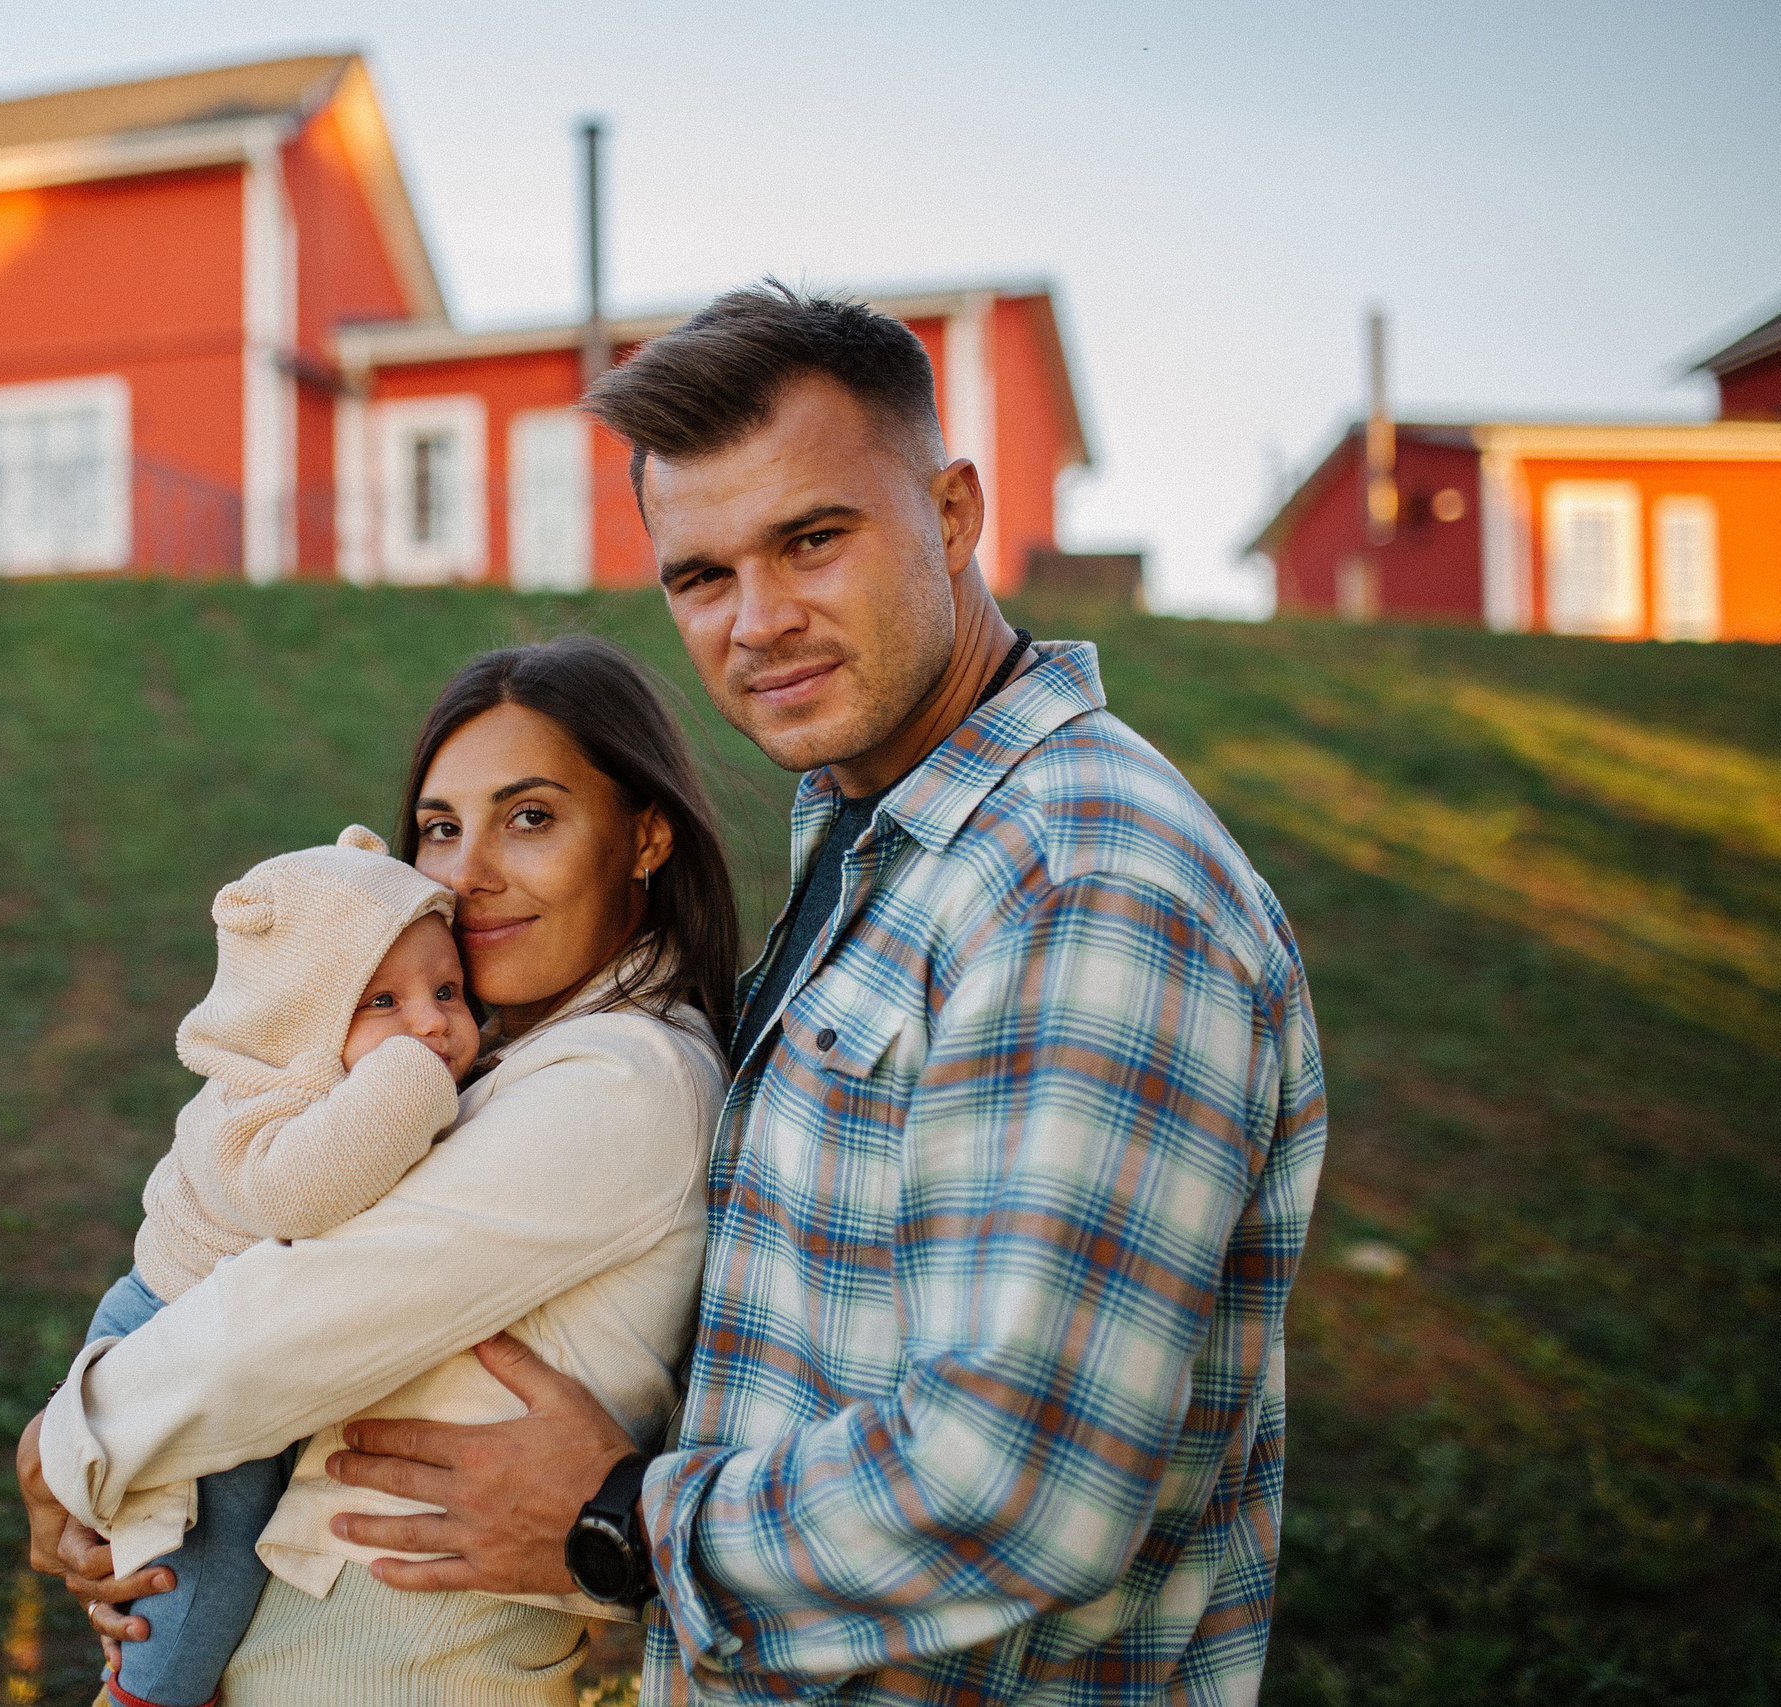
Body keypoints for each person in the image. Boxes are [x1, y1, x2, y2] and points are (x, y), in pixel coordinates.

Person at [319, 284, 1330, 1702]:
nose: (760, 620)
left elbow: (1017, 1479)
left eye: (811, 539)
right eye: (702, 575)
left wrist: (621, 1517)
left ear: (956, 515)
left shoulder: (1082, 881)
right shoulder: (885, 840)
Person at [20, 637, 743, 1706]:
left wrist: (69, 1444)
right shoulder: (501, 1058)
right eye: (440, 828)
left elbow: (295, 1320)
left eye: (530, 817)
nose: (467, 872)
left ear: (645, 836)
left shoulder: (622, 1078)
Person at [60, 825, 481, 1706]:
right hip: (167, 1340)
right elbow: (297, 1196)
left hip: (240, 1350)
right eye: (383, 1004)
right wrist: (411, 1073)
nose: (432, 1022)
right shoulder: (250, 1116)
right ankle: (147, 1695)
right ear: (299, 1024)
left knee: (236, 1569)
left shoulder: (345, 1095)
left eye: (447, 990)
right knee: (196, 1576)